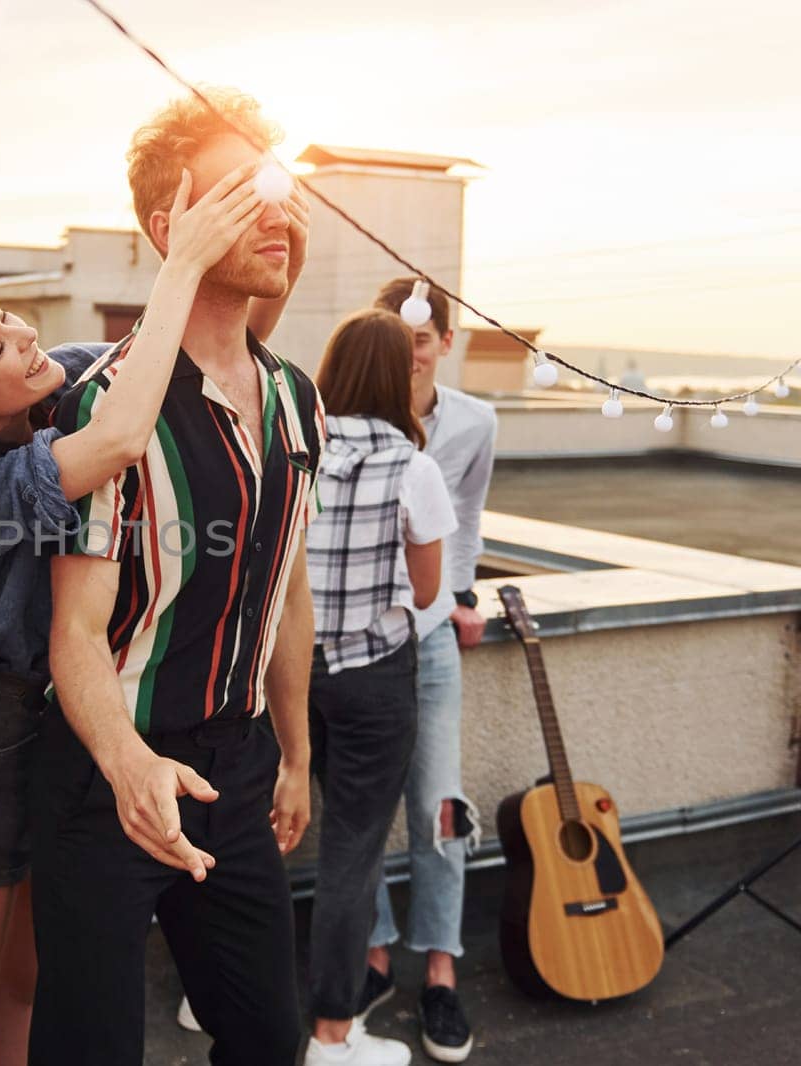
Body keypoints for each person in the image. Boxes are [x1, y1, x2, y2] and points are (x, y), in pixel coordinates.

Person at [0, 152, 297, 1065]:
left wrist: (261, 229)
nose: (27, 340)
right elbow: (119, 437)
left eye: (7, 319)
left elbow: (205, 344)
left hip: (76, 734)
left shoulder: (58, 380)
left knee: (28, 994)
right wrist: (180, 258)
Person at [34, 88, 324, 1066]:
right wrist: (129, 769)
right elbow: (74, 631)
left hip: (235, 769)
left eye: (278, 188)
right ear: (172, 228)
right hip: (106, 771)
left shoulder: (296, 399)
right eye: (241, 193)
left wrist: (294, 753)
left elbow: (285, 591)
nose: (275, 211)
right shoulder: (105, 408)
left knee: (266, 1041)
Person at [302, 308, 457, 1066]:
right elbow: (428, 594)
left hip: (289, 674)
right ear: (400, 375)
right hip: (372, 680)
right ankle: (332, 1034)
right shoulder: (413, 467)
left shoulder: (292, 448)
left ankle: (224, 1001)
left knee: (262, 837)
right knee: (352, 854)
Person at [358, 278, 497, 1063]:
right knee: (363, 805)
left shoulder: (477, 421)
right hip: (361, 643)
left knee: (439, 806)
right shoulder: (347, 423)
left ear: (444, 341)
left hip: (436, 638)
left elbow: (469, 515)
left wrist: (463, 591)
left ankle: (440, 969)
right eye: (394, 335)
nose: (408, 352)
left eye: (420, 337)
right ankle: (375, 956)